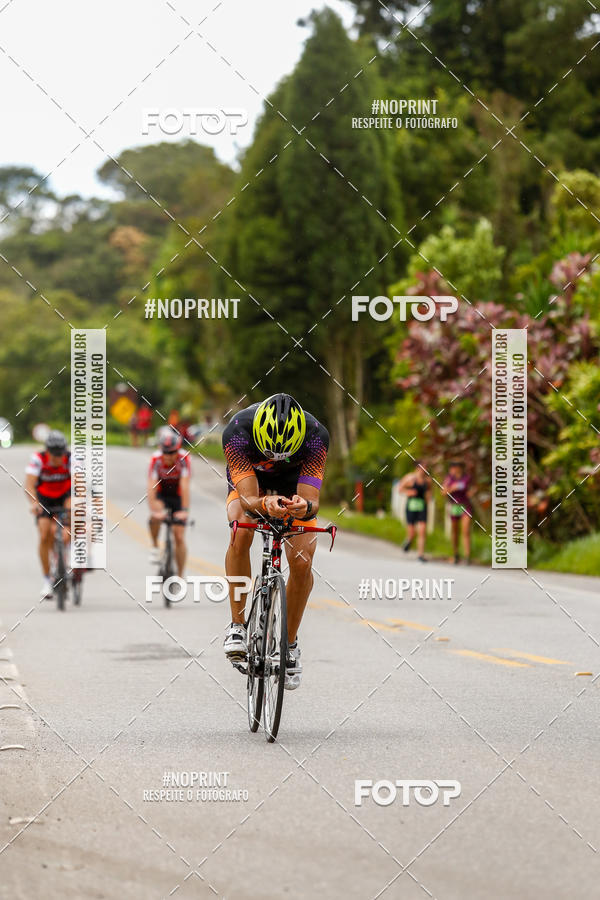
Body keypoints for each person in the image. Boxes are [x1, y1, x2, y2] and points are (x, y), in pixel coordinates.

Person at [222, 393, 329, 691]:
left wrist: (303, 507)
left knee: (302, 559)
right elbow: (247, 499)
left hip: (293, 485)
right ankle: (237, 627)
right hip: (252, 484)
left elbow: (312, 502)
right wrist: (263, 504)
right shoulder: (237, 432)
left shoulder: (316, 436)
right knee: (241, 529)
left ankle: (290, 645)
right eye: (270, 452)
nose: (275, 459)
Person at [24, 430, 72, 598]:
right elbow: (29, 485)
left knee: (67, 527)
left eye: (60, 454)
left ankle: (70, 554)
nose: (57, 458)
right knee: (45, 535)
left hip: (65, 496)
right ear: (47, 451)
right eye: (54, 454)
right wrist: (34, 503)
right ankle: (47, 579)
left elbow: (79, 484)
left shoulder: (71, 459)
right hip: (44, 499)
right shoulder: (38, 459)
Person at [147, 430, 190, 576]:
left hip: (177, 496)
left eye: (172, 452)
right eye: (165, 452)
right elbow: (151, 485)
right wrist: (154, 509)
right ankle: (154, 546)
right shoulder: (156, 459)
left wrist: (184, 509)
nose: (168, 456)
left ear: (177, 450)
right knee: (155, 517)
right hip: (162, 494)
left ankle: (180, 575)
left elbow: (185, 485)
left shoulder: (183, 459)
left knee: (179, 536)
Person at [398, 462, 431, 563]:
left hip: (422, 507)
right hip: (411, 506)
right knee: (412, 533)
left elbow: (429, 492)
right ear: (418, 468)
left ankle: (420, 555)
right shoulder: (410, 478)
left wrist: (428, 499)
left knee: (422, 531)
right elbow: (400, 489)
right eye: (423, 467)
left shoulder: (428, 481)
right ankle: (409, 540)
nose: (424, 470)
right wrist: (409, 492)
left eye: (426, 468)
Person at [443, 461, 472, 564]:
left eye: (458, 466)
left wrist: (472, 492)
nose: (456, 469)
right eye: (454, 467)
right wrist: (452, 488)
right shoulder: (449, 478)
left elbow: (474, 487)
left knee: (466, 530)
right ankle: (456, 554)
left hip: (465, 506)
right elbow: (443, 492)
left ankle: (468, 556)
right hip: (454, 506)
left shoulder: (466, 477)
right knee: (455, 531)